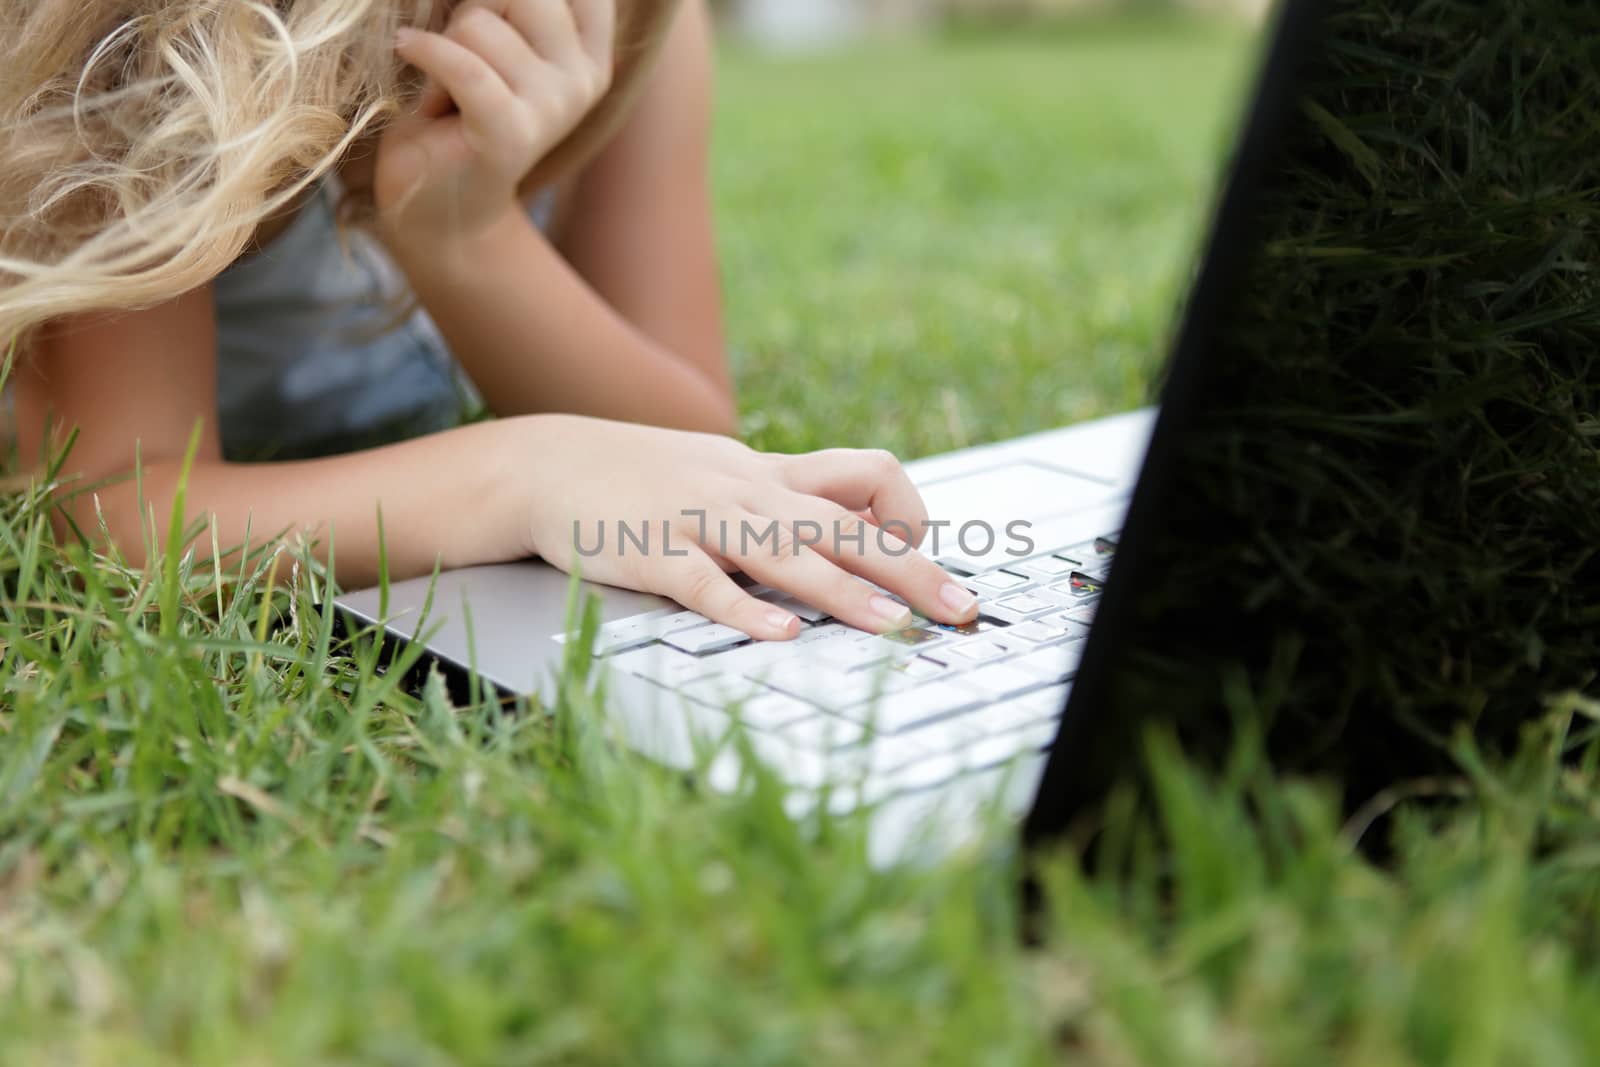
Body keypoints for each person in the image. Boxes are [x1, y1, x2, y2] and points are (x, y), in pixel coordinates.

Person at [0, 0, 981, 639]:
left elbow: (683, 444)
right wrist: (521, 469)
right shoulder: (146, 35)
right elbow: (111, 507)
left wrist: (462, 235)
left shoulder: (644, 23)